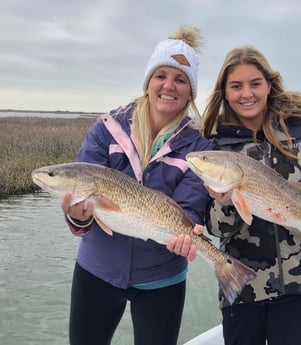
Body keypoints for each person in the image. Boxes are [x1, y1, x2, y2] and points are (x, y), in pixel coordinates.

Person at [171, 45, 301, 345]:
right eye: (236, 86)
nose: (246, 94)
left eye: (255, 83)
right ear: (225, 92)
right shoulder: (216, 145)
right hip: (243, 281)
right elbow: (215, 228)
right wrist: (226, 203)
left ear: (269, 84)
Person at [60, 26, 212, 345]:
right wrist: (79, 215)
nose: (168, 86)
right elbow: (83, 206)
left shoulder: (199, 150)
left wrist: (190, 232)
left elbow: (190, 208)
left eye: (180, 79)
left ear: (190, 91)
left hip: (163, 279)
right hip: (96, 272)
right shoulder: (106, 129)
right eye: (161, 75)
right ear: (148, 82)